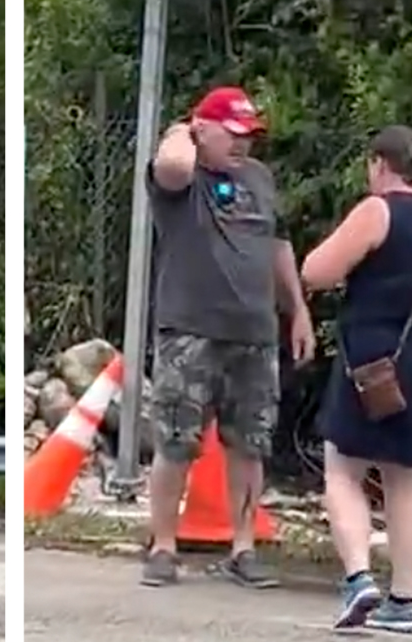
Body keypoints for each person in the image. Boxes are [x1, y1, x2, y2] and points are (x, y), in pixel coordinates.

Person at [140, 85, 316, 590]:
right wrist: (184, 129)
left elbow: (278, 245)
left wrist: (297, 310)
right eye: (233, 134)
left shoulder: (259, 180)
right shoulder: (183, 177)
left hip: (254, 333)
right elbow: (171, 164)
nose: (243, 146)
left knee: (250, 443)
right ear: (204, 130)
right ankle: (164, 545)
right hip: (191, 331)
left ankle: (243, 546)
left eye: (250, 136)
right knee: (176, 442)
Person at [301, 126, 412, 634]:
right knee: (405, 479)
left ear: (380, 164)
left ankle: (358, 577)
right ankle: (405, 600)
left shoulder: (379, 210)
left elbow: (317, 271)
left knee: (342, 468)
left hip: (377, 363)